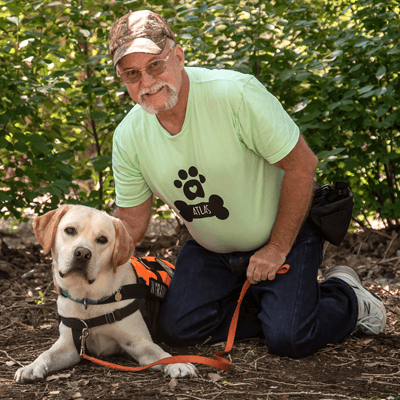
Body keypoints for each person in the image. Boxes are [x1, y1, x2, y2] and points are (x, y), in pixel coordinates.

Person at [109, 10, 386, 358]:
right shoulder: (128, 136)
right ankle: (274, 303)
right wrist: (89, 263)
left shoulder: (234, 94)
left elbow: (302, 165)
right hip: (212, 250)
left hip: (285, 236)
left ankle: (346, 298)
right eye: (131, 73)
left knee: (289, 339)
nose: (146, 82)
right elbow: (131, 223)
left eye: (155, 65)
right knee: (177, 331)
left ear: (178, 56)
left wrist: (275, 249)